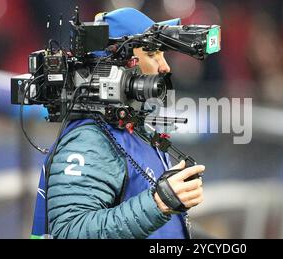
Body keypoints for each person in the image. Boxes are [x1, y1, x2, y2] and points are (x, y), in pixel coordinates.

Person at [30, 8, 205, 239]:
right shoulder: (90, 140)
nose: (165, 67)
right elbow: (69, 232)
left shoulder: (133, 127)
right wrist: (158, 203)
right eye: (152, 54)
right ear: (122, 64)